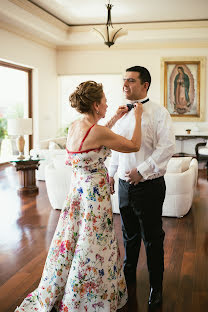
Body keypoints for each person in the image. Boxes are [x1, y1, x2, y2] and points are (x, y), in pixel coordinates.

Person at [15, 80, 143, 312]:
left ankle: (66, 286)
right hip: (94, 197)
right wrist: (138, 116)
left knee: (73, 238)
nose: (107, 105)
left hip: (77, 192)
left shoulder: (76, 126)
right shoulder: (98, 131)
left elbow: (97, 137)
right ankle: (87, 297)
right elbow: (134, 145)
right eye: (104, 102)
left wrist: (114, 117)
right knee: (94, 242)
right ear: (95, 105)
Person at [109, 66, 175, 309]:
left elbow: (167, 148)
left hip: (149, 186)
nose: (125, 84)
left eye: (131, 80)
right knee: (128, 237)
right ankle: (128, 284)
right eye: (123, 80)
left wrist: (142, 171)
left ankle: (156, 288)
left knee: (152, 239)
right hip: (124, 187)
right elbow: (117, 148)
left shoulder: (159, 113)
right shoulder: (120, 114)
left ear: (145, 85)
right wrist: (111, 173)